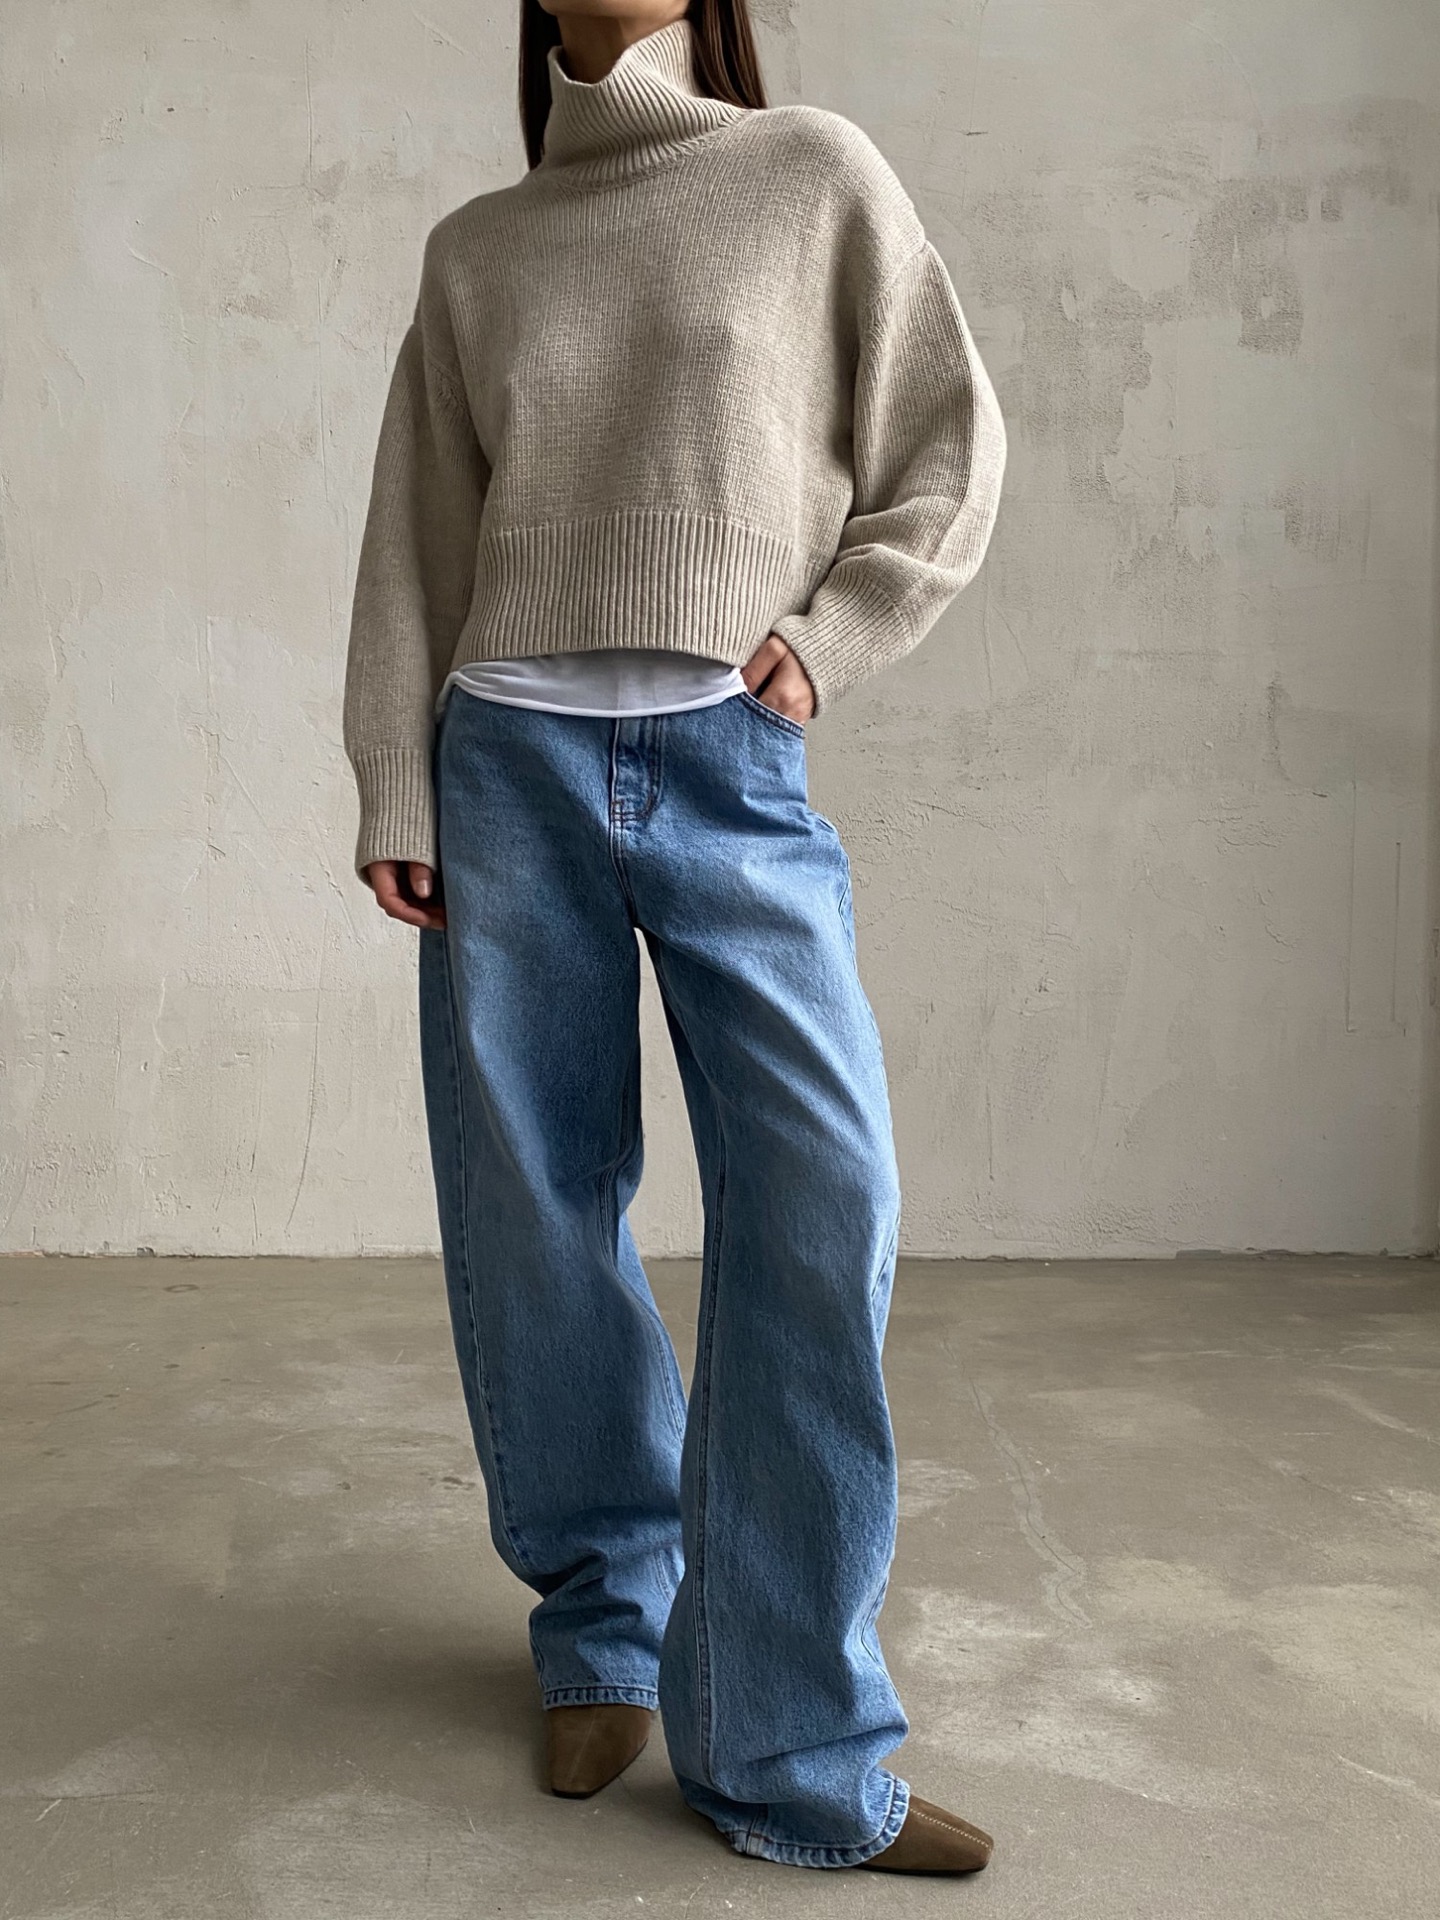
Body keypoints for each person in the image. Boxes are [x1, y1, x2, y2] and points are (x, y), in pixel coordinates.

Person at [342, 0, 1006, 1874]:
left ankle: (784, 1736)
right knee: (536, 1211)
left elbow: (948, 445)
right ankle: (601, 1624)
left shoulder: (813, 177)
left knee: (824, 1195)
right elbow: (416, 541)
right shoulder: (479, 251)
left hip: (730, 755)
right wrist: (396, 781)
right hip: (506, 770)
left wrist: (834, 632)